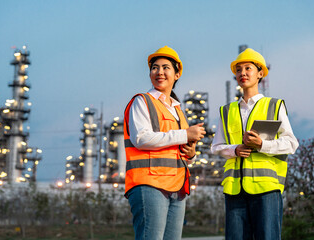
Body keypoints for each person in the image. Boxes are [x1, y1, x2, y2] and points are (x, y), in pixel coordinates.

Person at [211, 48, 299, 240]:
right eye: (239, 69)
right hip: (234, 190)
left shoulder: (274, 105)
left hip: (266, 190)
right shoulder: (226, 111)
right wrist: (235, 149)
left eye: (248, 68)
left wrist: (261, 145)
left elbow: (291, 143)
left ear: (260, 73)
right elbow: (216, 147)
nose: (242, 73)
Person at [124, 46, 206, 240]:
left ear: (177, 74)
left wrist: (191, 153)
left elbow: (180, 151)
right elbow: (141, 139)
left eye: (165, 67)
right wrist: (185, 134)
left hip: (177, 188)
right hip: (149, 183)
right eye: (155, 67)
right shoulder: (142, 101)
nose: (159, 72)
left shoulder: (178, 110)